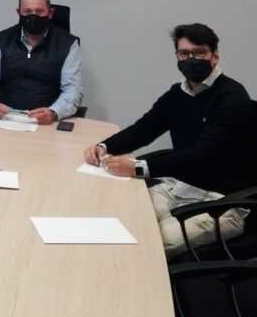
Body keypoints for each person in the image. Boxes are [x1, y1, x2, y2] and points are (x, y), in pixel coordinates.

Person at [84, 23, 256, 258]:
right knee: (122, 218)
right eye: (184, 53)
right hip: (180, 187)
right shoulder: (178, 93)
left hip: (223, 201)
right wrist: (104, 146)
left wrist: (138, 167)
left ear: (214, 56)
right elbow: (144, 129)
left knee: (149, 245)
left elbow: (203, 154)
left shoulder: (232, 97)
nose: (191, 59)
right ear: (177, 56)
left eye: (199, 53)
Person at [0, 0, 83, 124]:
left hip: (46, 122)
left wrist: (54, 112)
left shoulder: (68, 44)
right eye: (27, 12)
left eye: (39, 11)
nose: (33, 16)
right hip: (5, 119)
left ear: (50, 13)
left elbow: (73, 89)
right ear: (18, 13)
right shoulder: (1, 40)